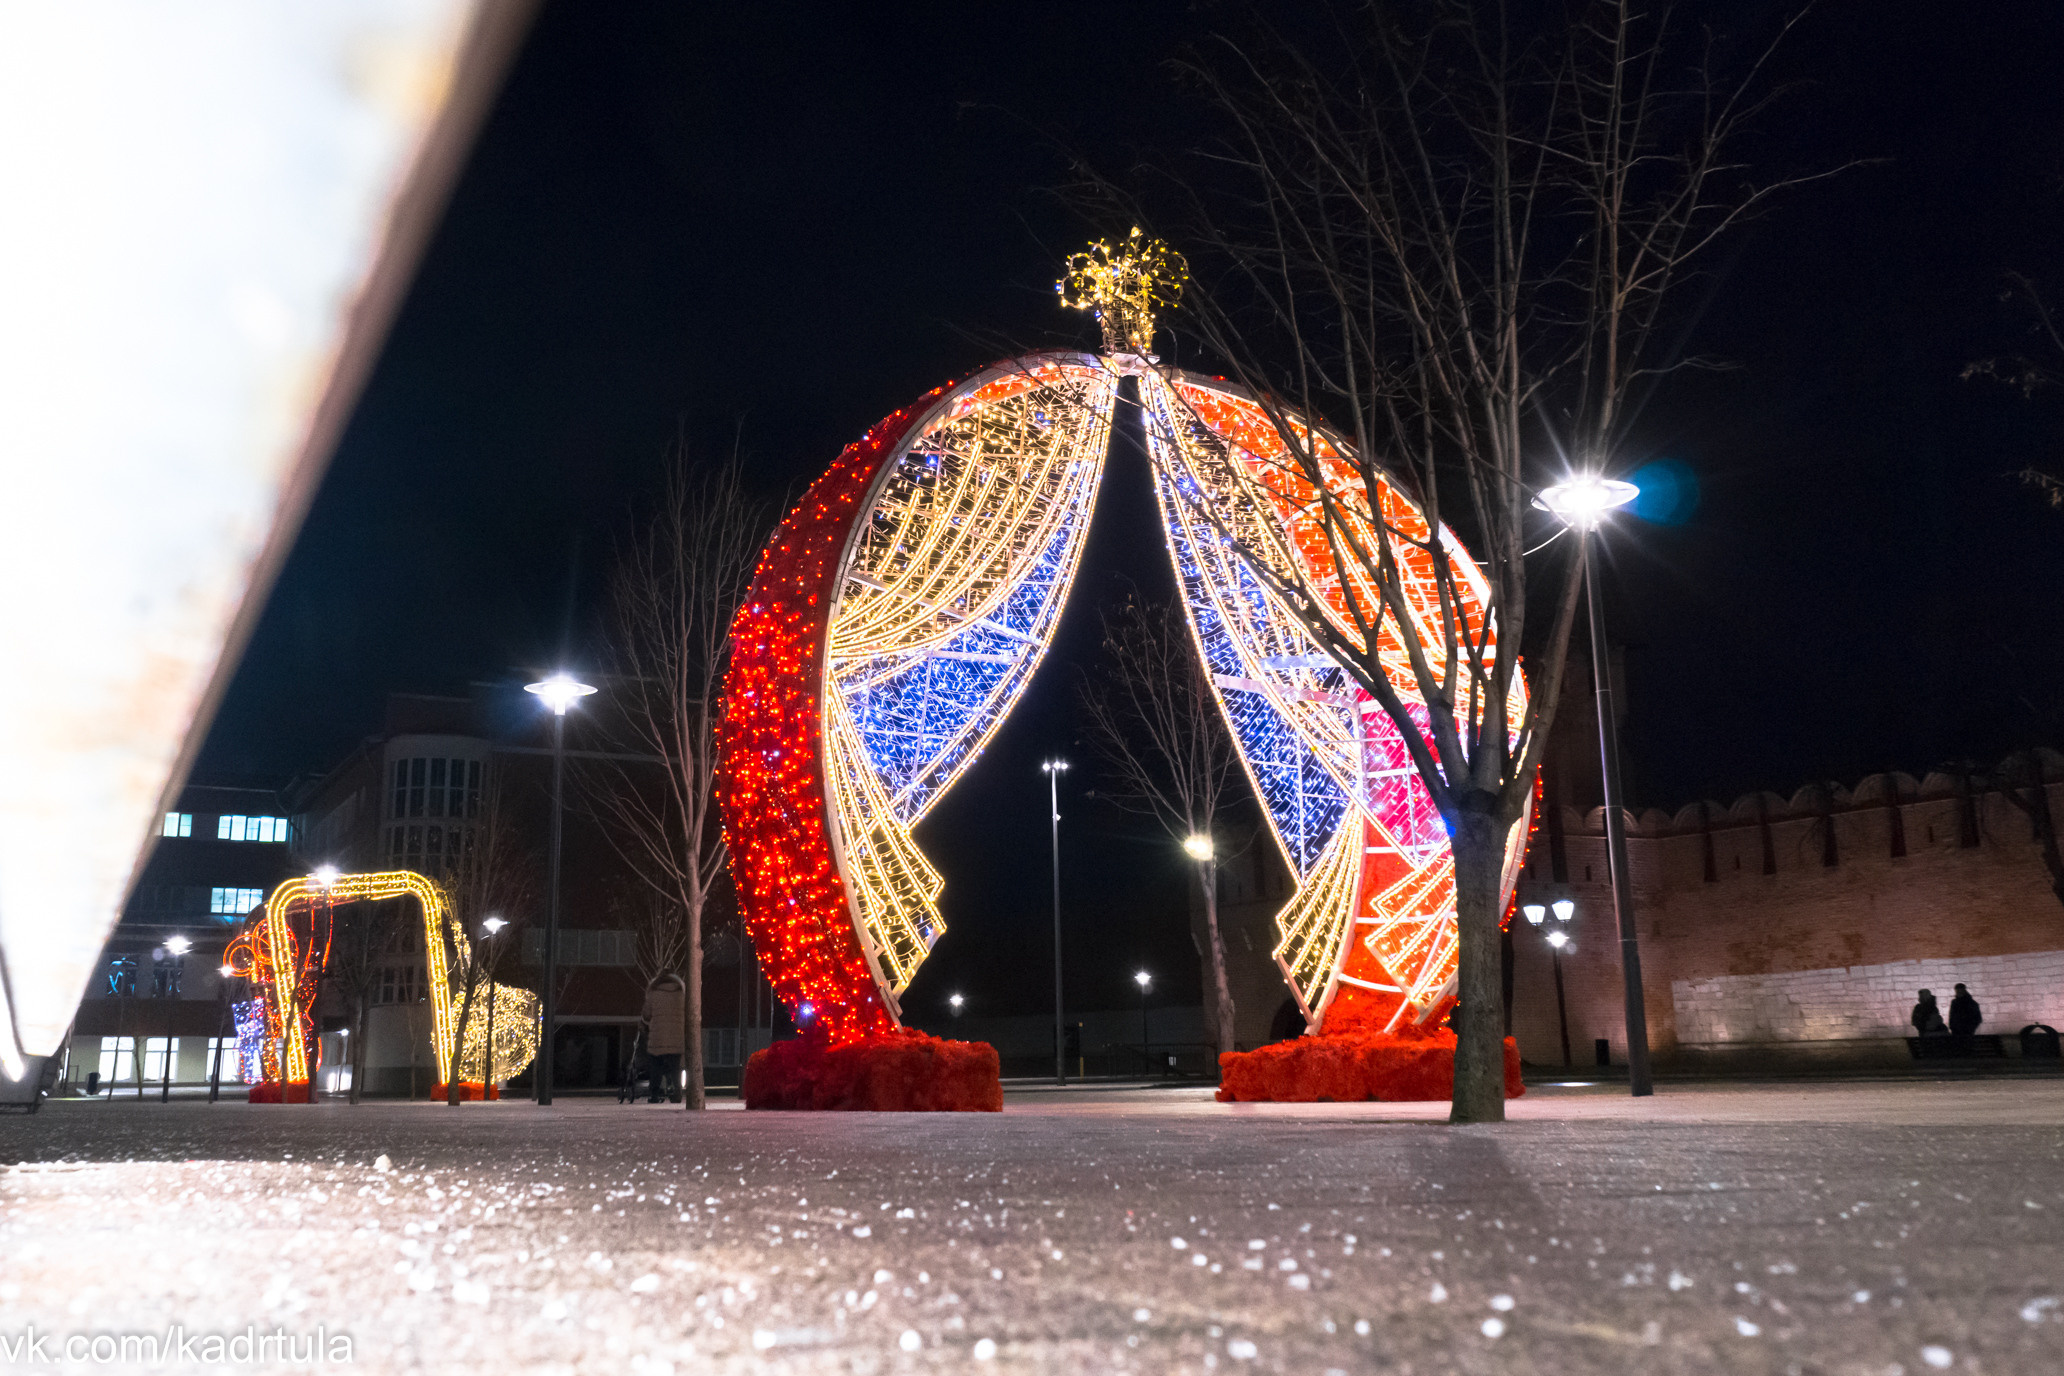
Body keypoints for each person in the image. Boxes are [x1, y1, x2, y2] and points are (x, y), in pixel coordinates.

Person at [642, 971, 686, 1104]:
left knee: (655, 1067)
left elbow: (646, 1013)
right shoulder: (681, 993)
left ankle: (654, 1094)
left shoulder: (653, 992)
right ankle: (677, 1092)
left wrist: (644, 1022)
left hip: (657, 1037)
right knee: (675, 1068)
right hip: (676, 1037)